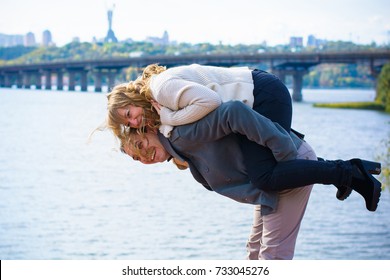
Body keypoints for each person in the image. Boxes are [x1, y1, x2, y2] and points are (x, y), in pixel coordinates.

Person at [119, 101, 382, 259]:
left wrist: (287, 151)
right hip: (273, 182)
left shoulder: (183, 134)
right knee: (254, 253)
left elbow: (233, 112)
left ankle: (348, 172)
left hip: (286, 164)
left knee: (273, 256)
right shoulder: (184, 152)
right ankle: (348, 171)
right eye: (136, 158)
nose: (144, 157)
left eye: (140, 145)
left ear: (149, 129)